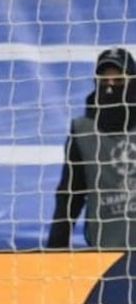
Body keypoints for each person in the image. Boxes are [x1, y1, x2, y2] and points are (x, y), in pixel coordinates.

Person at [48, 47, 136, 249]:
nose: (110, 87)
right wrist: (56, 249)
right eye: (104, 81)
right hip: (105, 251)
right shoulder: (83, 131)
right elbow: (70, 196)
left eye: (119, 81)